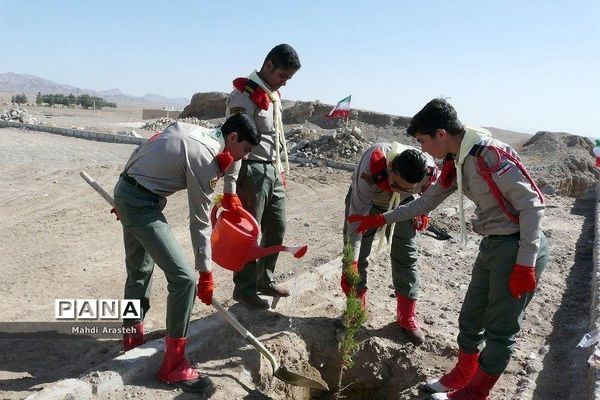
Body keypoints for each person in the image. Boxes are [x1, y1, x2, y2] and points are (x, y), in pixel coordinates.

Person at [348, 98, 549, 400]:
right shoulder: (456, 161)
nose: (423, 149)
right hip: (493, 244)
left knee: (499, 329)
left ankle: (476, 392)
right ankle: (464, 374)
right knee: (470, 317)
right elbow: (427, 201)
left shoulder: (488, 155)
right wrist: (380, 218)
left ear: (441, 134)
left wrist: (526, 263)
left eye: (423, 141)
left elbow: (533, 205)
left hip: (517, 247)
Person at [113, 113, 260, 393]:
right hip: (142, 204)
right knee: (184, 280)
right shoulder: (204, 157)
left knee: (140, 271)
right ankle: (174, 364)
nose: (244, 156)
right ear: (232, 138)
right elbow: (201, 222)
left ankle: (132, 340)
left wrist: (124, 188)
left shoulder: (199, 132)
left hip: (130, 189)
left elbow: (147, 146)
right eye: (245, 150)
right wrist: (205, 273)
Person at [223, 43, 301, 309]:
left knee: (276, 226)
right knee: (249, 234)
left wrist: (279, 169)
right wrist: (230, 189)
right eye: (283, 76)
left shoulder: (272, 95)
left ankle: (263, 279)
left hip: (271, 170)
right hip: (251, 171)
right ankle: (244, 289)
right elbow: (235, 142)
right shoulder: (245, 95)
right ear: (269, 66)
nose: (285, 83)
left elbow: (273, 137)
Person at [343, 143, 438, 345]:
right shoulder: (371, 167)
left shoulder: (428, 172)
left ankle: (407, 317)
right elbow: (356, 223)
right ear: (391, 167)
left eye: (406, 188)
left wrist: (423, 212)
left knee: (406, 256)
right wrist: (351, 261)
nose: (397, 190)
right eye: (395, 184)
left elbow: (431, 197)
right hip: (368, 204)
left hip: (403, 207)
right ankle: (355, 310)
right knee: (357, 257)